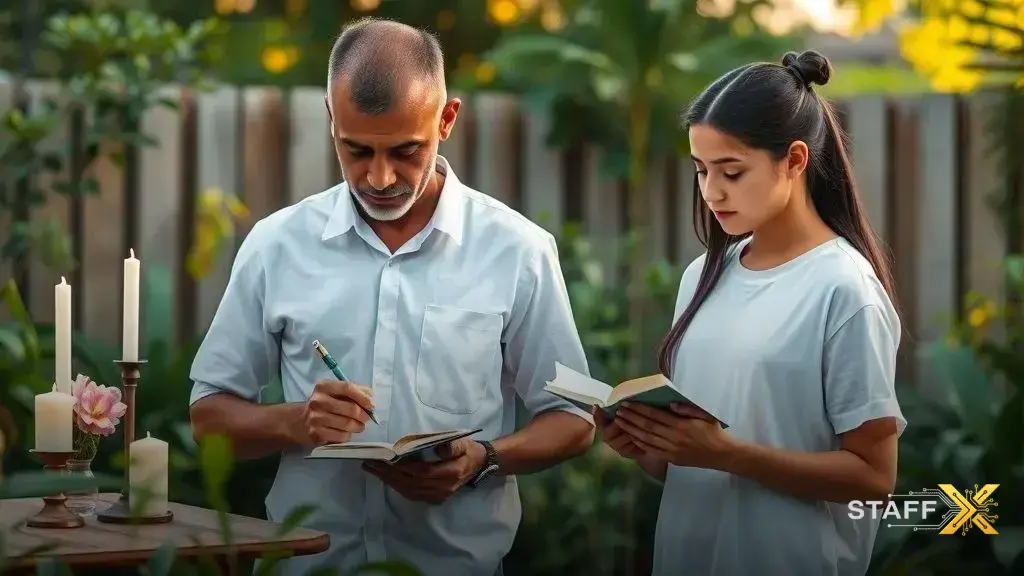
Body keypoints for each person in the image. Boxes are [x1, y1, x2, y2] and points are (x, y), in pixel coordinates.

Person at [187, 17, 595, 576]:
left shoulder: (519, 250)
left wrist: (483, 458)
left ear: (447, 119)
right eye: (356, 151)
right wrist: (297, 422)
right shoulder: (275, 245)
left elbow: (574, 417)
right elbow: (209, 418)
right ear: (330, 118)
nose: (380, 178)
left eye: (406, 151)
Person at [594, 50, 906, 576]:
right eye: (701, 171)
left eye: (732, 172)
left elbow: (874, 478)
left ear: (796, 160)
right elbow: (695, 463)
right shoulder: (704, 276)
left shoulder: (843, 290)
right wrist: (648, 445)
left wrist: (729, 454)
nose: (712, 192)